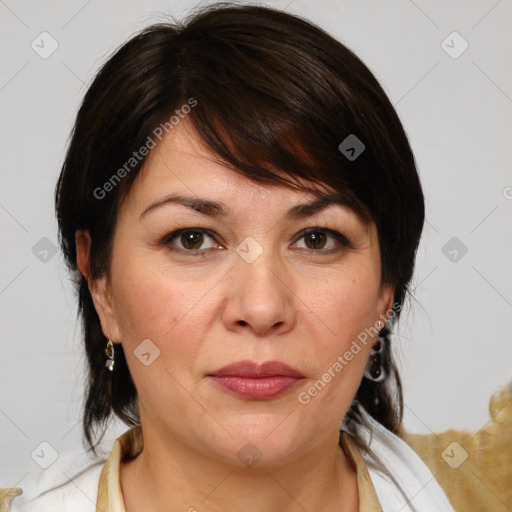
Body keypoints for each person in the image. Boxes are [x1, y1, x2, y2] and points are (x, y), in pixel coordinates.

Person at [9, 3, 455, 511]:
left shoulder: (489, 486)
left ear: (384, 290)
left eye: (316, 239)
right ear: (101, 284)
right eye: (193, 239)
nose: (262, 308)